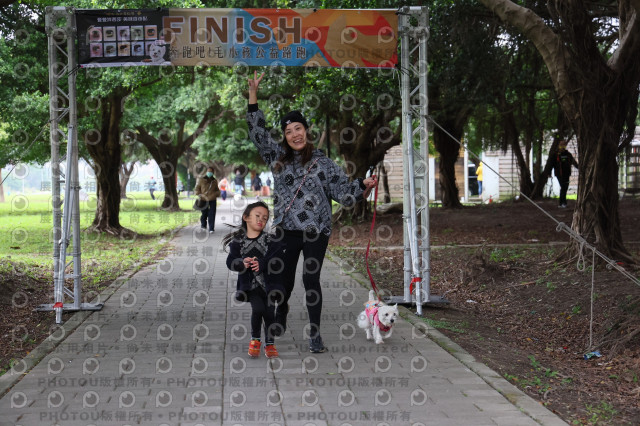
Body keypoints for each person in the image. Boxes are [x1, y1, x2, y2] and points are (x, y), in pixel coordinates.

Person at [246, 71, 378, 353]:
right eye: (289, 131)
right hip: (286, 230)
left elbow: (343, 193)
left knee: (311, 279)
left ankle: (315, 334)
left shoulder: (323, 163)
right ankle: (281, 309)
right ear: (285, 136)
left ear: (306, 131)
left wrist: (362, 186)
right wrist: (253, 94)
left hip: (316, 231)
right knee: (284, 282)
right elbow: (257, 133)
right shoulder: (276, 157)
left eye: (299, 128)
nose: (295, 134)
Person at [223, 201, 285, 358]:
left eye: (264, 218)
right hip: (251, 286)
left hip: (270, 285)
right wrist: (241, 263)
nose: (261, 220)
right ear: (246, 217)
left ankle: (270, 343)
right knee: (258, 309)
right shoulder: (239, 242)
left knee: (269, 313)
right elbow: (230, 262)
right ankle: (255, 339)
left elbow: (279, 261)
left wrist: (263, 263)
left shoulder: (270, 240)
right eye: (257, 216)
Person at [549, 141, 579, 208]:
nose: (562, 147)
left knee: (565, 187)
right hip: (559, 174)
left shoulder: (568, 154)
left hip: (567, 174)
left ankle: (563, 203)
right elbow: (551, 164)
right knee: (563, 187)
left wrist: (579, 167)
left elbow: (573, 162)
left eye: (564, 145)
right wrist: (549, 173)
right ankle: (562, 203)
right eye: (561, 145)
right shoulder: (555, 155)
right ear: (559, 145)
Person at [194, 167, 221, 233]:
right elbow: (197, 188)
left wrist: (216, 194)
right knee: (204, 213)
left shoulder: (214, 181)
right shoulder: (201, 179)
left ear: (213, 173)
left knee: (212, 214)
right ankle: (203, 225)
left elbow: (217, 190)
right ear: (206, 172)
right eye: (208, 171)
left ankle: (211, 228)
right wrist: (199, 194)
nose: (209, 173)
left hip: (212, 199)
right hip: (203, 199)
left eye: (211, 172)